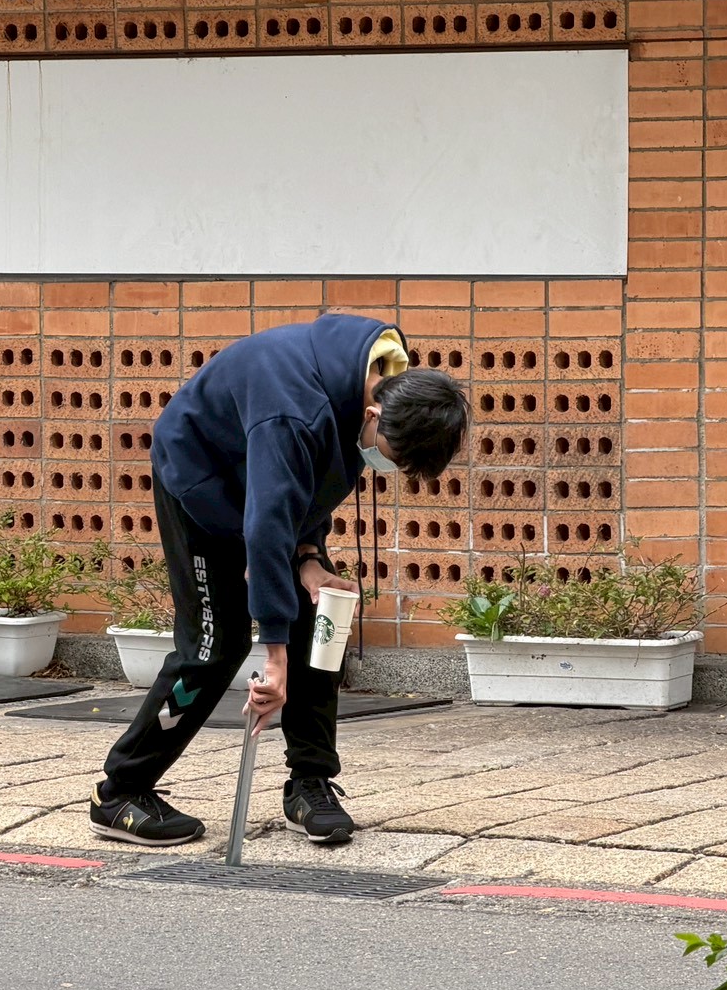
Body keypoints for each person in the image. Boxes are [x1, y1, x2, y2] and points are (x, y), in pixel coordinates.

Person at [89, 313, 469, 844]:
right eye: (391, 458)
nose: (388, 469)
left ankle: (309, 784)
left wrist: (309, 555)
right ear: (373, 414)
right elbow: (267, 521)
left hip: (264, 473)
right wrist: (274, 655)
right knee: (212, 646)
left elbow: (308, 480)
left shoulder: (378, 372)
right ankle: (121, 791)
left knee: (320, 612)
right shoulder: (295, 410)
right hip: (202, 478)